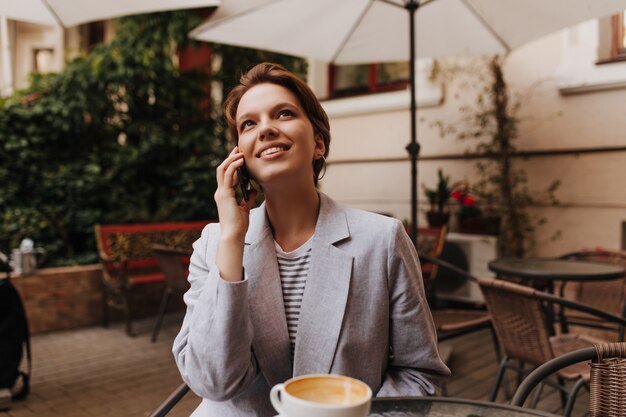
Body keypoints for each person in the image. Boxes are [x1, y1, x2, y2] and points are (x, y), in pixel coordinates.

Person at [173, 62, 450, 417]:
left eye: (283, 114)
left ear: (318, 143)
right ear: (239, 157)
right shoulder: (214, 245)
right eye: (249, 123)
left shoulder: (381, 240)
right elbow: (212, 382)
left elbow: (420, 371)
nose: (267, 128)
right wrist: (231, 239)